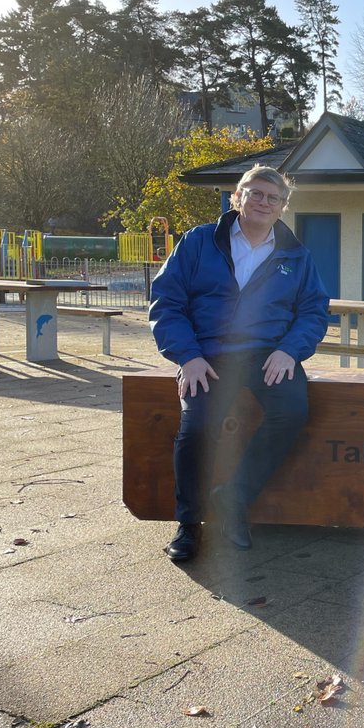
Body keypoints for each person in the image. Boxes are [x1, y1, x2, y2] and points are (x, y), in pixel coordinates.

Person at [149, 164, 329, 562]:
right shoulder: (198, 242)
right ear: (238, 196)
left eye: (273, 197)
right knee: (196, 428)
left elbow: (314, 311)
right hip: (208, 355)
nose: (264, 202)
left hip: (269, 354)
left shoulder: (296, 255)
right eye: (256, 193)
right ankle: (188, 524)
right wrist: (188, 356)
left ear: (283, 206)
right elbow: (166, 302)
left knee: (293, 414)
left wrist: (290, 350)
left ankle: (233, 497)